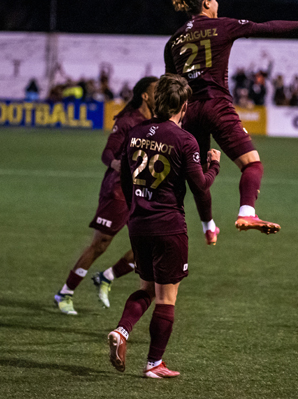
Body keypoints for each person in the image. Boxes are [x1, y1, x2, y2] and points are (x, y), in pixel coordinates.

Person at [165, 0, 298, 235]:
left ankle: (207, 226)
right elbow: (268, 27)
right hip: (217, 105)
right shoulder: (223, 25)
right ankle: (247, 214)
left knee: (199, 178)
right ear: (207, 3)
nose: (218, 4)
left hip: (189, 112)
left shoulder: (174, 41)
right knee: (252, 165)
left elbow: (170, 87)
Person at [107, 74, 221, 378]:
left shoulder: (135, 133)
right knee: (166, 297)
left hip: (138, 223)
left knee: (145, 287)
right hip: (169, 225)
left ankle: (122, 331)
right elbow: (200, 187)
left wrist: (135, 209)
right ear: (184, 106)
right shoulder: (185, 140)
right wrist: (215, 166)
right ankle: (154, 363)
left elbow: (123, 178)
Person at [53, 76, 159, 315]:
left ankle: (107, 277)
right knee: (100, 244)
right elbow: (107, 152)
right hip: (118, 190)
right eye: (156, 90)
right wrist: (115, 163)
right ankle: (65, 293)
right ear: (145, 95)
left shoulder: (157, 121)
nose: (160, 93)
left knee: (150, 246)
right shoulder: (128, 121)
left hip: (143, 190)